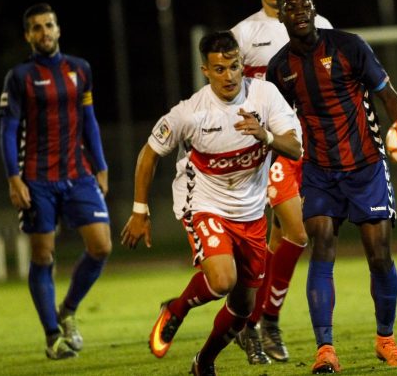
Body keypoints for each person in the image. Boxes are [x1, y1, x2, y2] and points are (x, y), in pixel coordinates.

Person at [120, 31, 302, 376]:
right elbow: (149, 154)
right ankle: (176, 310)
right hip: (204, 204)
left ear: (242, 64)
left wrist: (264, 135)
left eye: (234, 67)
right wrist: (140, 210)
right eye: (219, 69)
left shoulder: (264, 96)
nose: (228, 76)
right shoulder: (190, 113)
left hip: (251, 212)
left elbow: (295, 148)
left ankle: (203, 363)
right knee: (221, 281)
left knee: (243, 308)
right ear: (205, 70)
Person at [266, 0, 397, 373]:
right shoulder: (278, 69)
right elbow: (277, 124)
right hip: (319, 171)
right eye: (290, 7)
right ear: (280, 16)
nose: (299, 11)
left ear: (314, 9)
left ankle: (385, 339)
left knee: (379, 256)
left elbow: (388, 96)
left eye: (304, 5)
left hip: (366, 166)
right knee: (322, 248)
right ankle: (325, 350)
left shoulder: (349, 46)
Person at [229, 0, 333, 365]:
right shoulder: (243, 34)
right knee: (298, 232)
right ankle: (266, 320)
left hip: (311, 146)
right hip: (268, 149)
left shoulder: (321, 26)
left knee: (278, 242)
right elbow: (226, 90)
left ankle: (253, 321)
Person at [0, 3, 112, 360]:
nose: (44, 32)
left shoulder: (80, 69)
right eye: (36, 27)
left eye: (49, 25)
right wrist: (14, 179)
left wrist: (101, 165)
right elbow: (8, 130)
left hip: (78, 174)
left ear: (58, 29)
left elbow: (89, 120)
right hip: (37, 179)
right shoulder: (19, 77)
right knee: (43, 254)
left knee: (101, 246)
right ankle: (52, 336)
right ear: (28, 36)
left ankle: (68, 310)